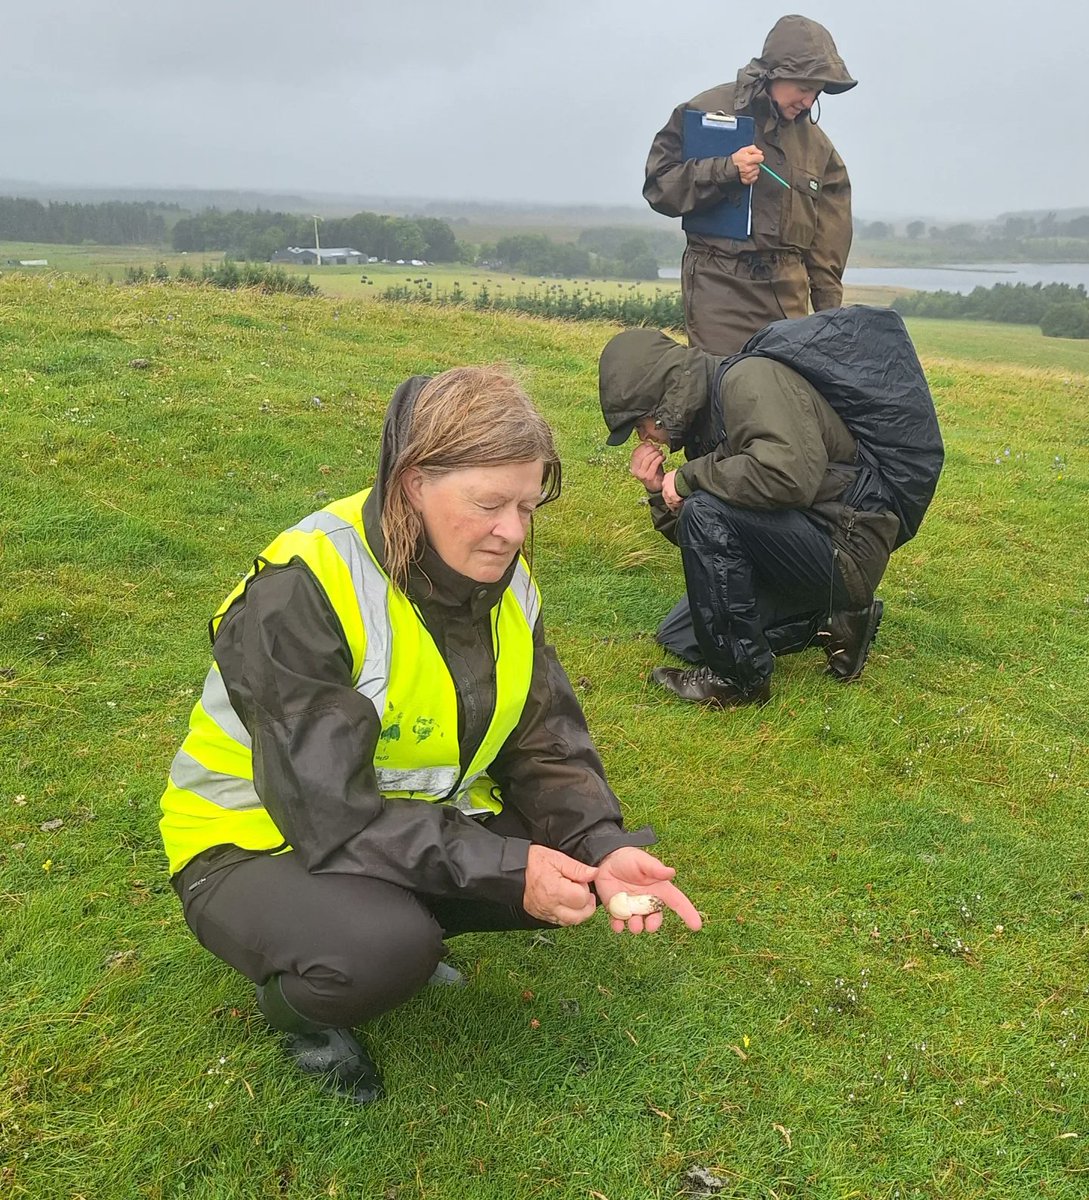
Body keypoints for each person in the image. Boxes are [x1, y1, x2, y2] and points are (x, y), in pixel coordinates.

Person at [159, 366, 701, 1105]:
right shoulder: (304, 588)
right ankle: (301, 1008)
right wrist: (510, 868)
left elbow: (544, 737)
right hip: (252, 839)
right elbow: (329, 813)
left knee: (565, 862)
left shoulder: (504, 578)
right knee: (381, 949)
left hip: (385, 824)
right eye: (488, 504)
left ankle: (395, 920)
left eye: (528, 504)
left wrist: (601, 845)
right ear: (413, 483)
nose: (512, 531)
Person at [598, 326, 900, 708]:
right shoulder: (707, 422)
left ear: (662, 399)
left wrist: (690, 478)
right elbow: (707, 543)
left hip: (844, 545)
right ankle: (834, 623)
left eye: (641, 424)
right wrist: (659, 491)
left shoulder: (749, 381)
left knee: (706, 511)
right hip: (802, 544)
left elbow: (789, 478)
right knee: (681, 638)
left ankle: (739, 681)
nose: (645, 438)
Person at [644, 14, 856, 355]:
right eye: (804, 88)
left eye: (816, 93)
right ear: (775, 73)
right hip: (718, 286)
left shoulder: (820, 149)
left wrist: (827, 312)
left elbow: (828, 241)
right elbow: (660, 187)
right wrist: (725, 170)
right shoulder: (705, 111)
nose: (809, 102)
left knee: (784, 395)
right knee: (727, 391)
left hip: (787, 296)